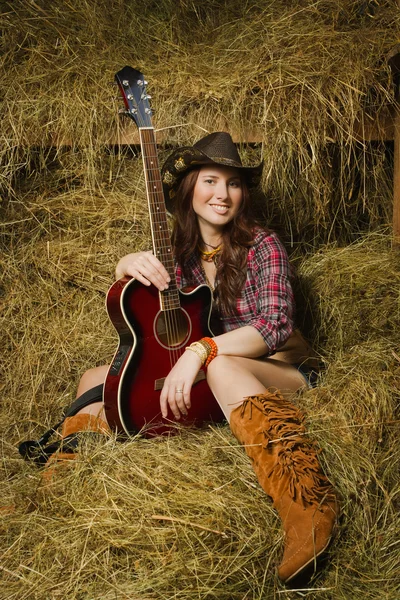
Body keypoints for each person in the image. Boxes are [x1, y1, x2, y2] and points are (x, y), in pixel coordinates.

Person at [30, 132, 339, 583]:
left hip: (281, 367)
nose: (222, 193)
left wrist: (201, 350)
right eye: (211, 180)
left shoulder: (263, 244)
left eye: (234, 184)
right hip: (216, 372)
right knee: (96, 377)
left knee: (222, 364)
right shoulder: (178, 253)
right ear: (190, 188)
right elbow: (142, 308)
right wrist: (125, 266)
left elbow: (274, 327)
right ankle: (55, 492)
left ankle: (307, 506)